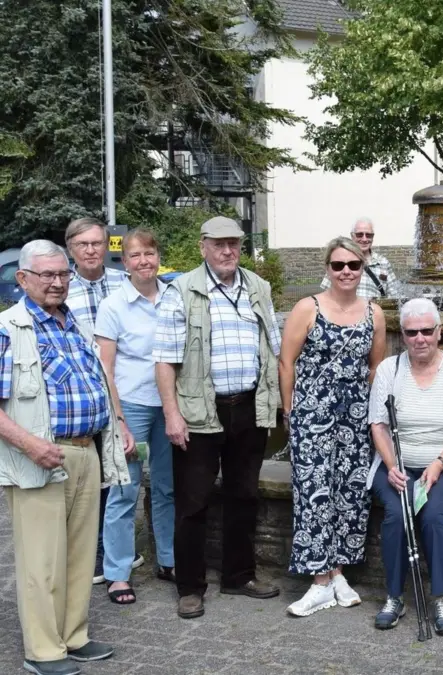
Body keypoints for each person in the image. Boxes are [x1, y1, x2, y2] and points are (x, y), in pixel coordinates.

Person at [0, 240, 129, 675]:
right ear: (23, 279)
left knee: (77, 557)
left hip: (86, 451)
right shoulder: (9, 328)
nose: (57, 282)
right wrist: (30, 445)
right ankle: (43, 651)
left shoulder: (72, 322)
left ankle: (73, 636)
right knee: (42, 560)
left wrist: (116, 425)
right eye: (47, 275)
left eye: (63, 274)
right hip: (39, 458)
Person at [153, 216, 284, 620]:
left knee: (244, 496)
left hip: (248, 407)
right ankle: (190, 588)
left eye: (234, 244)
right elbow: (164, 360)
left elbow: (274, 350)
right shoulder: (182, 290)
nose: (228, 252)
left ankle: (238, 575)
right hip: (198, 412)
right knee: (192, 503)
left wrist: (279, 404)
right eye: (219, 244)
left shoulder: (257, 288)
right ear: (203, 247)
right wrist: (172, 415)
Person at [278, 237, 387, 618]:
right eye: (338, 265)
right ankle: (319, 580)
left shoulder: (374, 313)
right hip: (313, 415)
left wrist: (374, 419)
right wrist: (291, 412)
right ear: (327, 268)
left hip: (354, 419)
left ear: (362, 269)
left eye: (353, 266)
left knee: (349, 495)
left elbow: (376, 369)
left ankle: (338, 572)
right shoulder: (307, 308)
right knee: (313, 493)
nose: (345, 272)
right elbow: (286, 362)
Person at [368, 298, 443, 634]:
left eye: (427, 331)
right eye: (412, 332)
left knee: (432, 515)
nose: (420, 338)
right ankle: (394, 597)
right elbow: (378, 425)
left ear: (439, 332)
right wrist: (391, 465)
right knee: (397, 515)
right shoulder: (389, 369)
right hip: (397, 465)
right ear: (402, 334)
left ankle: (441, 597)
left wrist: (439, 462)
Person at [94, 229, 175, 605]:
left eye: (150, 253)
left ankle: (169, 560)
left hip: (169, 407)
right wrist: (120, 420)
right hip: (134, 408)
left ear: (159, 256)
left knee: (167, 487)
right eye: (136, 255)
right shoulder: (114, 305)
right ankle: (118, 573)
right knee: (125, 490)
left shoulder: (173, 296)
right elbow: (106, 369)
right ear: (124, 262)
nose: (144, 260)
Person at [63, 217, 132, 585]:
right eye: (83, 244)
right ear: (71, 249)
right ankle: (89, 553)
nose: (91, 250)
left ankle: (112, 550)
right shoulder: (61, 287)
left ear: (107, 246)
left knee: (118, 473)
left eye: (97, 243)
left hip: (124, 390)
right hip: (83, 394)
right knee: (88, 475)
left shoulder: (124, 283)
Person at [319, 217, 399, 299]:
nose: (364, 239)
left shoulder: (383, 262)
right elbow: (327, 294)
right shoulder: (340, 260)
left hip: (373, 310)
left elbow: (396, 296)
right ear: (352, 236)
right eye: (360, 235)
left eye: (368, 235)